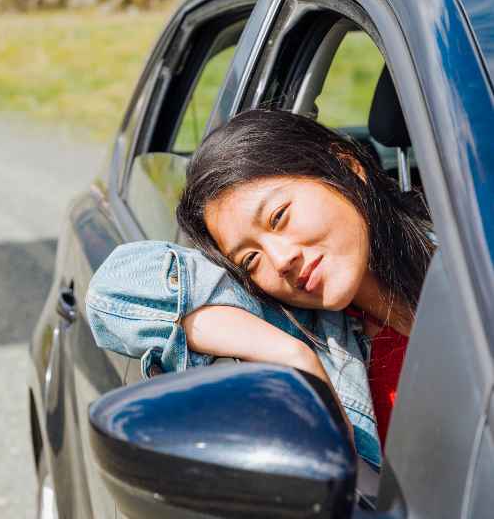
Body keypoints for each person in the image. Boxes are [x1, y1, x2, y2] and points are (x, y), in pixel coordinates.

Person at [85, 109, 436, 469]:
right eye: (250, 259)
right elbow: (113, 294)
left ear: (346, 167)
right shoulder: (302, 327)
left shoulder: (473, 245)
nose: (280, 260)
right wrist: (292, 356)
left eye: (279, 217)